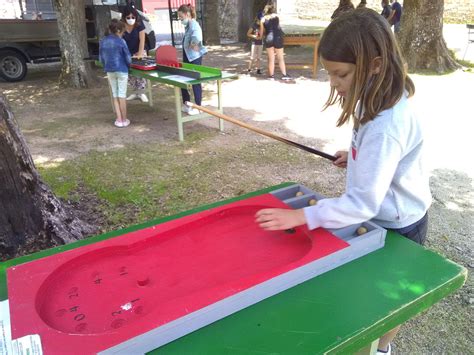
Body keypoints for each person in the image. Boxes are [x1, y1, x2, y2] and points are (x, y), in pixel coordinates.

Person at [255, 9, 431, 355]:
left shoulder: (386, 127)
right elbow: (377, 157)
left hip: (397, 223)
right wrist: (353, 155)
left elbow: (362, 203)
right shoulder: (379, 92)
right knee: (367, 296)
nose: (333, 83)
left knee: (385, 301)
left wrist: (303, 216)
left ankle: (382, 349)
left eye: (341, 74)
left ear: (376, 64)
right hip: (382, 213)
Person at [99, 19, 132, 128]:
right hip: (122, 70)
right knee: (122, 95)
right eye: (122, 32)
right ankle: (125, 119)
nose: (123, 34)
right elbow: (128, 58)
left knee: (115, 94)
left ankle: (119, 119)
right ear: (118, 31)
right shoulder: (121, 41)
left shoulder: (103, 41)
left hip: (109, 70)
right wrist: (129, 66)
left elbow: (101, 59)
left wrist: (105, 66)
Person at [178, 4, 207, 116]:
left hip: (194, 57)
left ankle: (198, 106)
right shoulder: (188, 26)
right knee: (183, 79)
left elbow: (197, 38)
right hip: (187, 56)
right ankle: (186, 103)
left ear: (187, 14)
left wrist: (193, 43)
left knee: (195, 81)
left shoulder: (194, 25)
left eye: (181, 17)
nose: (180, 19)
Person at [121, 5, 149, 103]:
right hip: (128, 53)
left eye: (133, 17)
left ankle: (141, 92)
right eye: (128, 17)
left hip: (140, 51)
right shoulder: (121, 27)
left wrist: (140, 54)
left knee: (141, 72)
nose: (131, 19)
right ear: (124, 17)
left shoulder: (139, 24)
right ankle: (135, 92)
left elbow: (142, 39)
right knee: (130, 73)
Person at [259, 4, 290, 80]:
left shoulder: (262, 19)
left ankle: (271, 76)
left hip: (269, 38)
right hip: (278, 37)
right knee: (280, 58)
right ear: (272, 10)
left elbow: (261, 33)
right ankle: (284, 75)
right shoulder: (276, 16)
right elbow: (279, 26)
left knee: (271, 58)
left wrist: (259, 36)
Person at [246, 11, 264, 75]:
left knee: (259, 58)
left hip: (260, 43)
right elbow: (248, 33)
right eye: (260, 19)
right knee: (252, 57)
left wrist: (262, 36)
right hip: (254, 43)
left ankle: (258, 69)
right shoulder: (254, 25)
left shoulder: (263, 26)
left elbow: (264, 34)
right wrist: (254, 36)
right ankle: (249, 70)